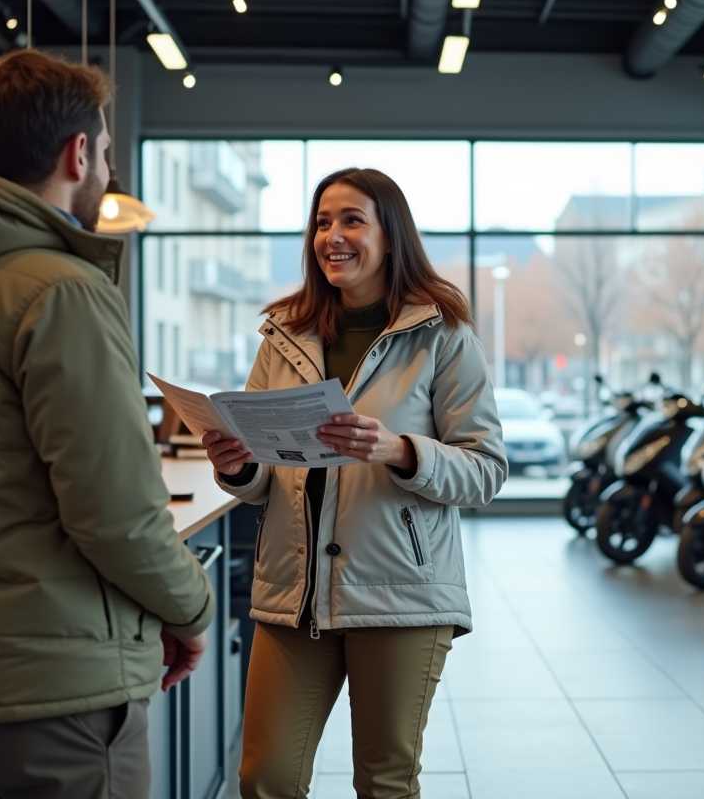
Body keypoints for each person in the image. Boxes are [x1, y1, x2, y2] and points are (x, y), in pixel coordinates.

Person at [0, 49, 214, 799]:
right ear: (79, 152)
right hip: (64, 684)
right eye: (105, 153)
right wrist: (191, 606)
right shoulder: (63, 290)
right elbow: (118, 513)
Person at [205, 167, 506, 799]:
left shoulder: (443, 334)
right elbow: (266, 477)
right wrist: (238, 464)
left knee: (384, 782)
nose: (331, 236)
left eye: (350, 220)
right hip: (293, 594)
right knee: (265, 778)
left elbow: (485, 470)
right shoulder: (284, 332)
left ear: (390, 237)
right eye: (321, 222)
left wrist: (400, 450)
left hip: (400, 595)